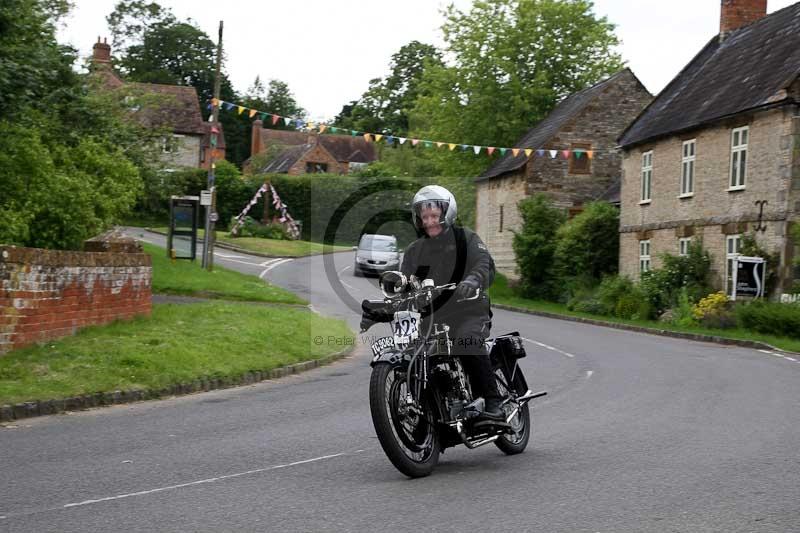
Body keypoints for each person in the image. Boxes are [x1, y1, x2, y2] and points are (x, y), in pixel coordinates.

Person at [400, 185, 505, 423]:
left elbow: (483, 263)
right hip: (432, 317)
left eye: (434, 216)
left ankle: (493, 401)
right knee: (414, 352)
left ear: (446, 214)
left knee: (465, 341)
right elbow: (405, 283)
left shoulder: (464, 238)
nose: (429, 222)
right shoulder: (414, 251)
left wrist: (473, 279)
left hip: (469, 310)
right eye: (425, 217)